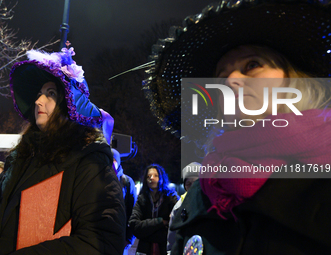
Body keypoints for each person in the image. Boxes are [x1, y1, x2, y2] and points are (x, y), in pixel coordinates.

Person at [142, 0, 331, 254]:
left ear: (293, 79)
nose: (231, 81)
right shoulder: (205, 186)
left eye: (252, 65)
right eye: (221, 77)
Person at [0, 47, 125, 254]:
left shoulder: (90, 161)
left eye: (50, 94)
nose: (38, 101)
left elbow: (100, 242)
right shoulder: (20, 157)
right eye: (38, 94)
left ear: (69, 104)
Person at [129, 163, 179, 255]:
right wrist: (161, 222)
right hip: (144, 250)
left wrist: (147, 231)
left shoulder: (171, 198)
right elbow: (134, 225)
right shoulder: (142, 199)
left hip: (166, 249)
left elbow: (177, 223)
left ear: (162, 178)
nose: (151, 178)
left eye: (156, 175)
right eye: (149, 176)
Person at [166, 162, 200, 252]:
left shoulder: (211, 203)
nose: (192, 187)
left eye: (196, 182)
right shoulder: (179, 207)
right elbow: (172, 238)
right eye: (189, 184)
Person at [111, 148, 138, 254]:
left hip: (120, 240)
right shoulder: (99, 179)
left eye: (112, 160)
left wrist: (129, 239)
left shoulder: (126, 182)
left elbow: (133, 212)